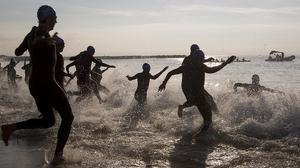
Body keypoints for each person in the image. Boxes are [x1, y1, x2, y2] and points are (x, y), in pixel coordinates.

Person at [1, 5, 74, 163]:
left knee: (48, 121)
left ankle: (10, 128)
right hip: (47, 83)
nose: (55, 22)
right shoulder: (40, 34)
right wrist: (48, 40)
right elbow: (36, 43)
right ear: (47, 19)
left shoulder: (32, 32)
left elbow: (17, 52)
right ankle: (58, 156)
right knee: (68, 118)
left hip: (35, 84)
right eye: (54, 19)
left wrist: (37, 42)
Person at [159, 48, 236, 133]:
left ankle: (209, 123)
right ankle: (199, 137)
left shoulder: (188, 66)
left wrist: (164, 83)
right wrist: (225, 63)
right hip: (194, 90)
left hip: (194, 89)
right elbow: (212, 70)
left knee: (199, 102)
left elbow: (171, 73)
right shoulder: (198, 65)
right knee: (206, 116)